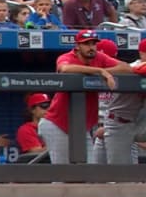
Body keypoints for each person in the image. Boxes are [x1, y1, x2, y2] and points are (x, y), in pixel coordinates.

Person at [39, 29, 131, 164]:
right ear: (77, 46)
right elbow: (65, 69)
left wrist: (104, 71)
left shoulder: (99, 57)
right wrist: (100, 71)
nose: (91, 47)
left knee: (89, 172)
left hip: (81, 126)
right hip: (57, 124)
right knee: (64, 173)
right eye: (86, 44)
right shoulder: (68, 57)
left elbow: (126, 68)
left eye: (94, 43)